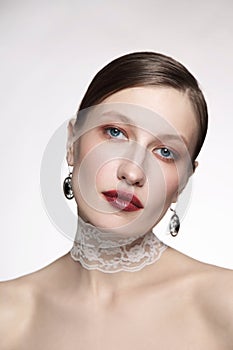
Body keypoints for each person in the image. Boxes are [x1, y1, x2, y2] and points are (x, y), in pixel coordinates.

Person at [0, 52, 233, 349]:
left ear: (184, 181)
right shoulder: (8, 316)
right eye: (115, 132)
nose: (133, 171)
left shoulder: (225, 305)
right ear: (72, 143)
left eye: (165, 152)